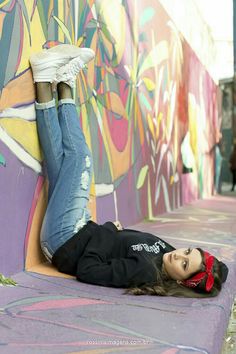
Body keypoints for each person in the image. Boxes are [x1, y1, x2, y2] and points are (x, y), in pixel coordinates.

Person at [30, 44, 228, 298]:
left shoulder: (145, 272)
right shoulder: (167, 251)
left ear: (181, 282)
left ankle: (55, 79)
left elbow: (88, 269)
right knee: (60, 157)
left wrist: (110, 231)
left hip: (65, 240)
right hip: (79, 228)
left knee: (82, 159)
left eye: (184, 264)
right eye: (188, 252)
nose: (180, 255)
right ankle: (54, 83)